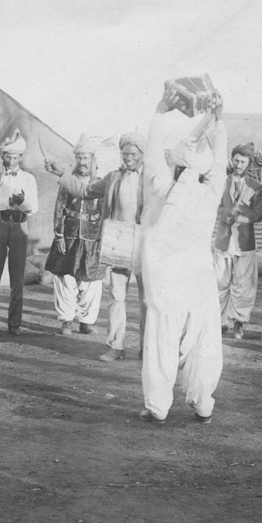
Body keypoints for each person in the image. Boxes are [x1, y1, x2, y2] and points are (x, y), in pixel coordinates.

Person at [138, 89, 226, 425]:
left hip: (166, 280)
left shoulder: (163, 186)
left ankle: (158, 405)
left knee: (161, 340)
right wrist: (220, 119)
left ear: (177, 166)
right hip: (198, 277)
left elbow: (152, 157)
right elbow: (219, 156)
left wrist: (160, 112)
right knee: (203, 339)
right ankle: (202, 400)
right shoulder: (211, 191)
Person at [46, 132, 148, 362]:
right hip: (117, 243)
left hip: (144, 244)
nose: (128, 158)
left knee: (147, 300)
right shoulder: (112, 178)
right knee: (117, 297)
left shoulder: (151, 180)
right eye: (125, 154)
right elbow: (84, 191)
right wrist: (61, 173)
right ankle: (116, 346)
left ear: (142, 155)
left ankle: (147, 348)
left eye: (133, 154)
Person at [0, 129, 38, 337]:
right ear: (2, 157)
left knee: (17, 276)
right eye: (8, 157)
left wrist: (21, 202)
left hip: (20, 226)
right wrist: (7, 201)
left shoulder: (29, 179)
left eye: (15, 157)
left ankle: (15, 324)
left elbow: (33, 209)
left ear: (21, 157)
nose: (11, 161)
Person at [45, 135, 104, 335]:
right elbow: (59, 208)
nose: (82, 162)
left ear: (93, 159)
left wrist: (102, 241)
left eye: (85, 158)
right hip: (69, 237)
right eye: (78, 158)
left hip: (92, 239)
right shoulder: (67, 182)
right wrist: (59, 235)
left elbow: (105, 213)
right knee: (65, 278)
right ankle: (67, 321)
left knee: (90, 281)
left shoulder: (101, 184)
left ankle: (86, 321)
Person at [213, 142, 262, 340]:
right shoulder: (220, 183)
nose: (238, 164)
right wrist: (227, 214)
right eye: (236, 160)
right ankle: (219, 322)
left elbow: (259, 213)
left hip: (244, 242)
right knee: (219, 282)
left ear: (248, 163)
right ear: (231, 160)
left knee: (243, 285)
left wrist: (241, 216)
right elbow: (214, 206)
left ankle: (239, 322)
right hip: (224, 241)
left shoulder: (255, 187)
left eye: (243, 161)